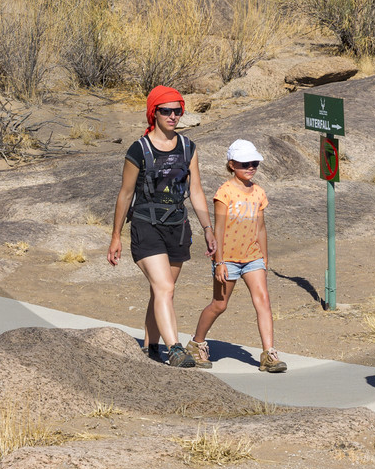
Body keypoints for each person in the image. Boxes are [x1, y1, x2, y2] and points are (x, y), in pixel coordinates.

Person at [107, 85, 214, 368]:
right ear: (154, 113)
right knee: (165, 287)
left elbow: (197, 191)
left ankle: (150, 345)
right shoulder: (139, 149)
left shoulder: (188, 147)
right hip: (146, 225)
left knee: (161, 290)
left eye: (177, 111)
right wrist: (116, 236)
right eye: (166, 110)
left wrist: (208, 228)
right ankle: (174, 348)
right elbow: (125, 194)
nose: (173, 116)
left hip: (177, 227)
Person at [189, 139, 288, 374]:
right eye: (245, 163)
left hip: (253, 257)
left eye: (254, 163)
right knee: (219, 305)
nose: (251, 167)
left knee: (263, 301)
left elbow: (261, 228)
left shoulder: (259, 193)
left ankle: (269, 354)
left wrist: (264, 258)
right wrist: (219, 262)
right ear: (232, 164)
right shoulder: (225, 192)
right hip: (228, 258)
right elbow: (219, 230)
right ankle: (197, 343)